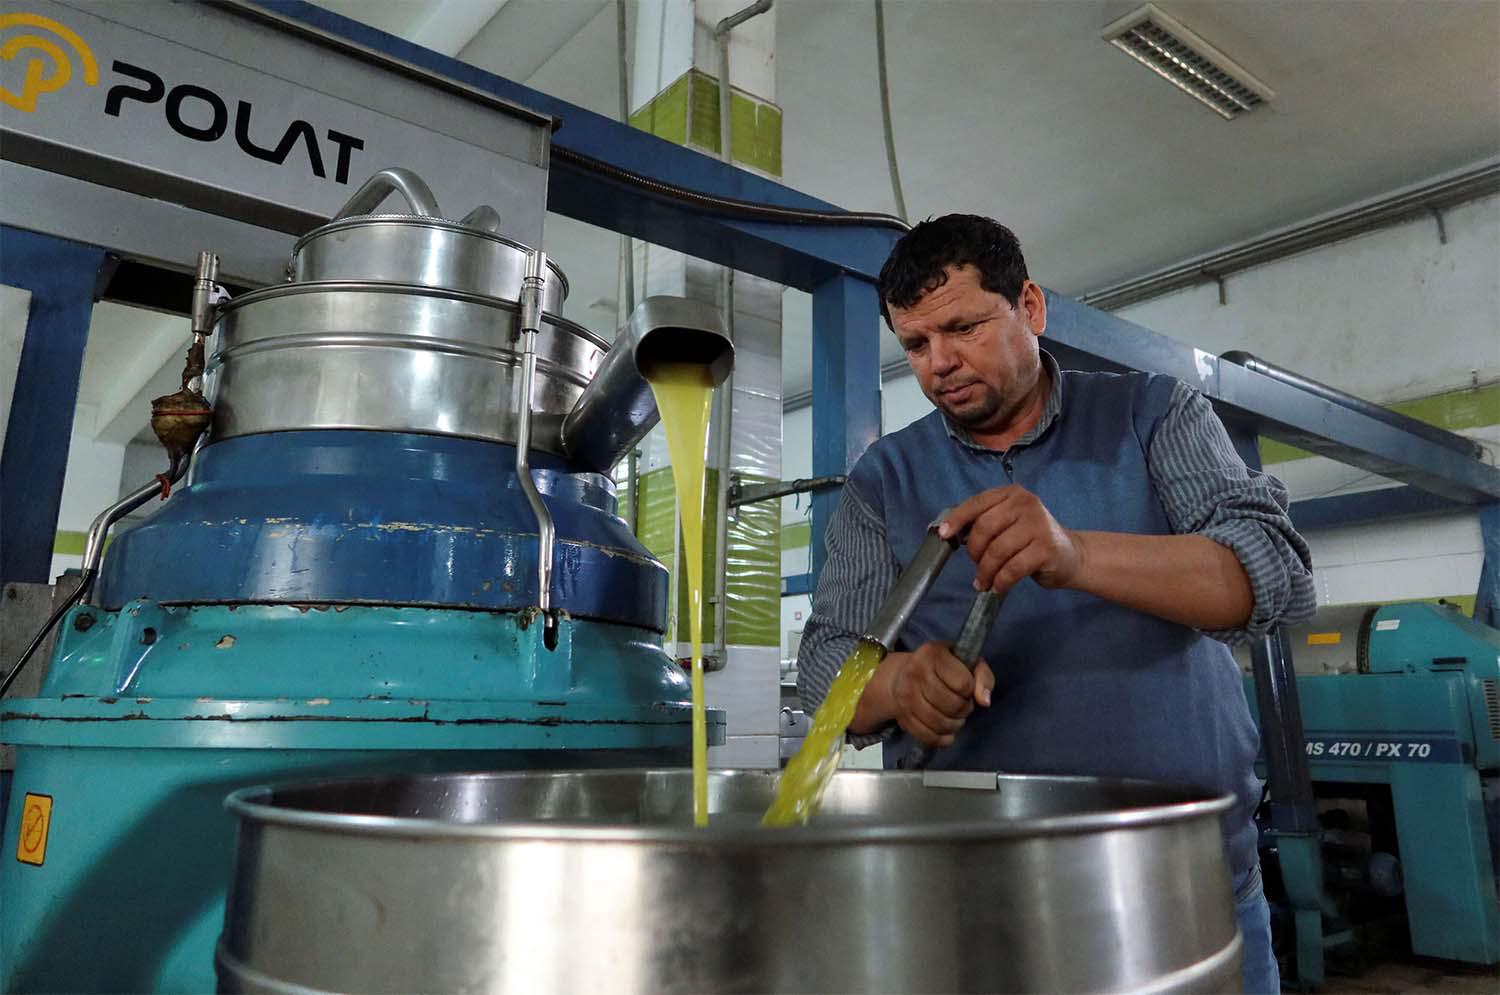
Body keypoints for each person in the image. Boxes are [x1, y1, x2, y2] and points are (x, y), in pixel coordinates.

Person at [796, 214, 1316, 994]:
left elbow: (1273, 576)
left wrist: (1075, 554)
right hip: (969, 906)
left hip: (1187, 888)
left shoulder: (1151, 416)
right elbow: (825, 667)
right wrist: (901, 687)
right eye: (915, 344)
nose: (940, 363)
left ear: (1030, 307)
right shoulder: (885, 479)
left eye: (963, 327)